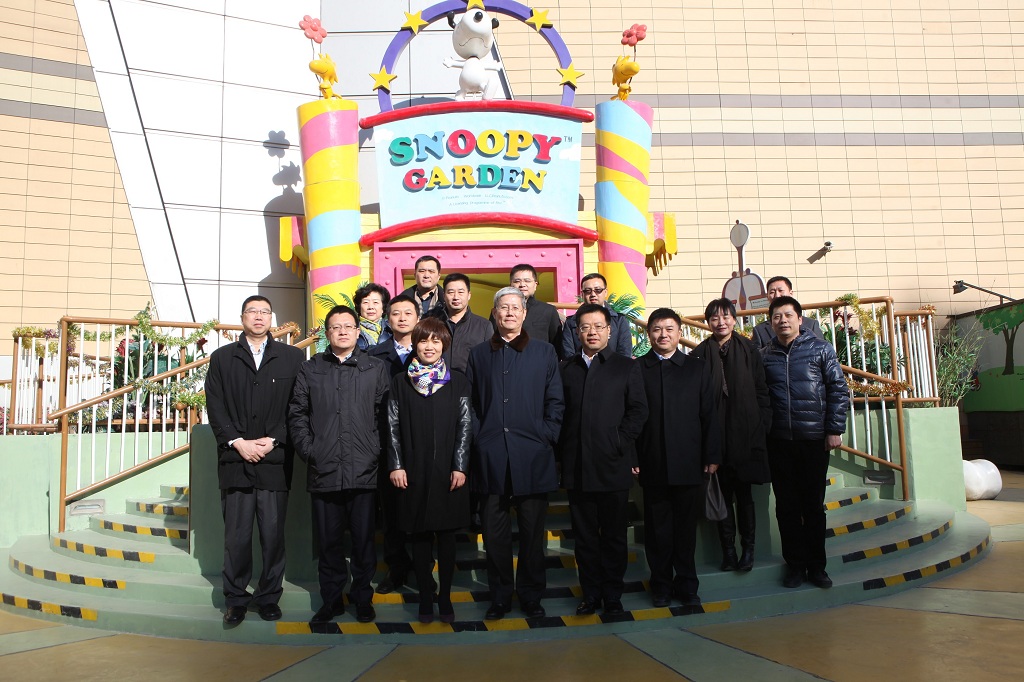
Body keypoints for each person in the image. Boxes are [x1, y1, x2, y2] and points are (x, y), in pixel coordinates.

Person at [204, 295, 304, 625]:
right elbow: (215, 405)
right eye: (252, 311)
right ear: (242, 317)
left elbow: (298, 405)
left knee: (273, 535)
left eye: (264, 312)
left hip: (274, 459)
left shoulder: (292, 357)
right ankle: (235, 599)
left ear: (271, 317)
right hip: (235, 461)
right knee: (236, 537)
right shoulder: (222, 358)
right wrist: (237, 441)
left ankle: (269, 597)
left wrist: (274, 438)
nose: (259, 317)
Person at [288, 305, 390, 624]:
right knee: (329, 542)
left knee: (363, 542)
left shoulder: (375, 368)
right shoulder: (311, 368)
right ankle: (331, 600)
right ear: (327, 333)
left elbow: (385, 415)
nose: (342, 331)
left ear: (358, 331)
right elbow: (297, 413)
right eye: (335, 327)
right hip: (325, 468)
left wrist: (375, 450)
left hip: (364, 469)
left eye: (348, 326)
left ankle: (362, 598)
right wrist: (311, 451)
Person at [467, 286, 564, 620]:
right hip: (491, 456)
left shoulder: (544, 352)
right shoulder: (479, 354)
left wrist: (546, 435)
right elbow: (471, 403)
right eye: (503, 307)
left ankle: (531, 595)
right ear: (494, 314)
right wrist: (479, 437)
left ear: (524, 313)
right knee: (494, 536)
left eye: (515, 307)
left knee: (532, 534)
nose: (509, 312)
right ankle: (499, 597)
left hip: (533, 456)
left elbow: (555, 401)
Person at [558, 303, 648, 616]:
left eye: (598, 326)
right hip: (577, 467)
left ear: (609, 330)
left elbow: (638, 411)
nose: (592, 332)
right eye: (585, 327)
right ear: (577, 332)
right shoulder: (566, 368)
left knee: (613, 536)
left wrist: (618, 441)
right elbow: (559, 413)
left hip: (613, 465)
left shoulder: (625, 366)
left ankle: (612, 595)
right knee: (584, 538)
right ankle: (591, 594)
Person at [387, 317, 472, 624]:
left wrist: (460, 465)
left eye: (436, 341)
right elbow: (392, 425)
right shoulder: (400, 382)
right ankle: (425, 596)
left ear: (444, 344)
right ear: (415, 344)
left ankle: (445, 596)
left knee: (447, 538)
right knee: (420, 536)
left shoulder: (457, 380)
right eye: (423, 340)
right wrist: (396, 464)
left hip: (448, 471)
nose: (429, 346)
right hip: (413, 470)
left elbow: (465, 424)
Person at [761, 295, 848, 589]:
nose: (782, 320)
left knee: (812, 507)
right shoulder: (764, 355)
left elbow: (838, 389)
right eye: (777, 316)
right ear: (771, 322)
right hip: (779, 441)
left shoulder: (821, 349)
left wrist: (834, 429)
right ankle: (795, 566)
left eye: (788, 315)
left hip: (813, 440)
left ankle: (817, 567)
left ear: (800, 319)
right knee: (786, 507)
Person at [636, 308, 720, 608]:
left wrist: (711, 454)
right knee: (657, 531)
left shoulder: (696, 367)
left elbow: (710, 413)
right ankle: (660, 585)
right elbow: (631, 416)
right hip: (652, 461)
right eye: (657, 329)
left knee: (685, 530)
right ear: (649, 334)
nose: (663, 335)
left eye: (669, 329)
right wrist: (633, 455)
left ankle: (687, 585)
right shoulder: (638, 369)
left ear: (679, 333)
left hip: (689, 460)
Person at [692, 298, 772, 573]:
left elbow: (761, 391)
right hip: (716, 438)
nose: (721, 322)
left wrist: (762, 425)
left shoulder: (749, 349)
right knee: (722, 497)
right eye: (714, 318)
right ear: (708, 322)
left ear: (734, 320)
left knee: (745, 497)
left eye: (726, 316)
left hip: (746, 435)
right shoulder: (700, 354)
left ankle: (748, 550)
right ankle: (728, 552)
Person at [367, 294, 420, 595]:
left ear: (418, 317)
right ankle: (396, 567)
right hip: (386, 441)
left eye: (408, 313)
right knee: (391, 511)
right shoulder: (374, 355)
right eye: (396, 313)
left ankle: (422, 566)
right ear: (388, 319)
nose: (402, 318)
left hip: (422, 441)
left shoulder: (429, 350)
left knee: (421, 506)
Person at [426, 273, 491, 372]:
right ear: (444, 295)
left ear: (469, 295)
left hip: (470, 381)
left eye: (461, 292)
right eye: (451, 292)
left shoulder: (484, 326)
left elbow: (489, 360)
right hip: (437, 380)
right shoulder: (432, 324)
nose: (456, 297)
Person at [560, 273, 633, 359]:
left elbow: (625, 354)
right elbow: (568, 355)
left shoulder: (619, 320)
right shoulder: (571, 322)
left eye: (598, 290)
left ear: (605, 292)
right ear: (582, 294)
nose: (593, 294)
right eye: (587, 291)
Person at [499, 263, 562, 348]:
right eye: (517, 281)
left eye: (527, 281)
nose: (522, 285)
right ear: (510, 285)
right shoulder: (500, 310)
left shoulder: (548, 311)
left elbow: (557, 344)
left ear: (535, 285)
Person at [752, 276, 825, 348]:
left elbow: (821, 349)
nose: (777, 295)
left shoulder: (811, 325)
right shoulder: (760, 330)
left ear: (791, 293)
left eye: (780, 290)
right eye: (772, 292)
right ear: (767, 296)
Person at [354, 282, 392, 350]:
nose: (371, 307)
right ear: (359, 307)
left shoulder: (392, 330)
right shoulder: (351, 330)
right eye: (366, 302)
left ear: (383, 307)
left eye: (375, 302)